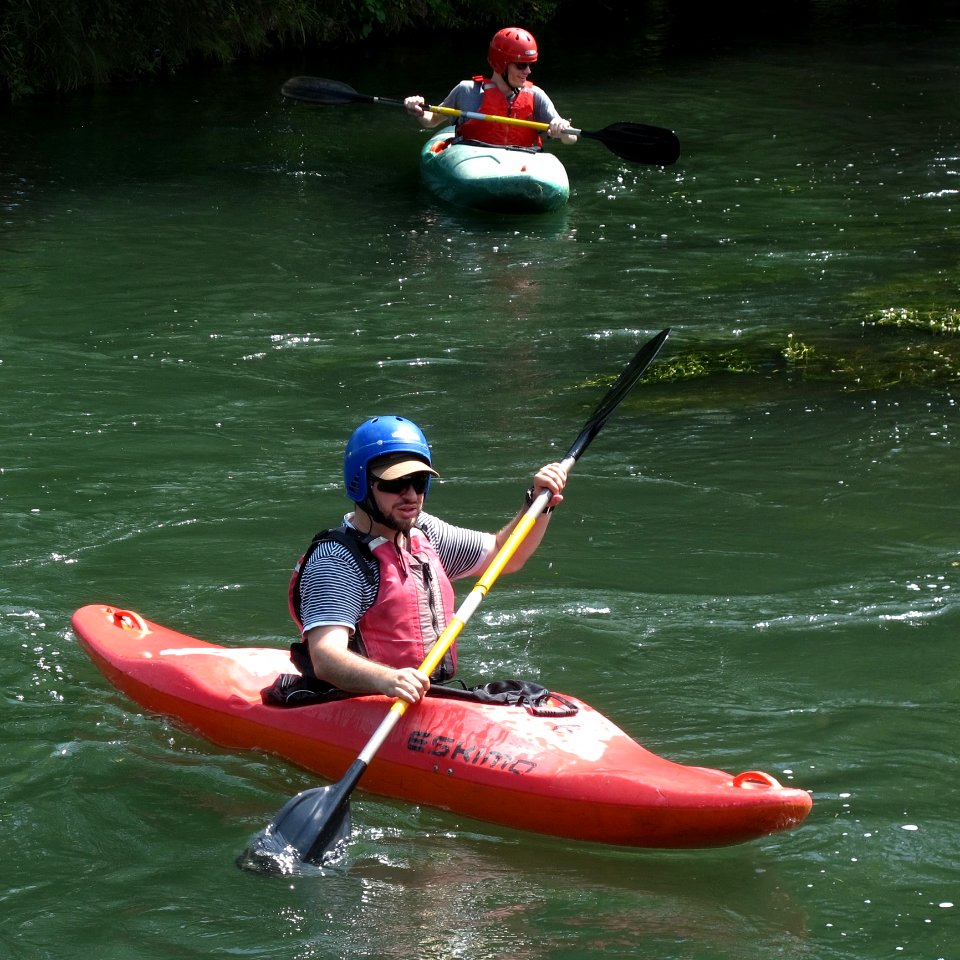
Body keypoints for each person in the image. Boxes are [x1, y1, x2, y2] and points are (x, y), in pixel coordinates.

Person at [287, 415, 567, 705]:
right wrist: (389, 679)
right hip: (357, 699)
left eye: (419, 482)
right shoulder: (337, 560)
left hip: (424, 693)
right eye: (396, 483)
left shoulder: (424, 531)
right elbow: (326, 658)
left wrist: (538, 503)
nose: (410, 495)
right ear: (360, 482)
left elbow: (504, 555)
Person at [403, 26, 576, 147]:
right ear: (501, 64)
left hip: (522, 161)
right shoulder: (467, 91)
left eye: (530, 65)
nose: (528, 71)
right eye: (521, 65)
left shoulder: (536, 95)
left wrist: (561, 128)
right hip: (474, 162)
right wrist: (418, 109)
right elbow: (431, 121)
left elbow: (571, 139)